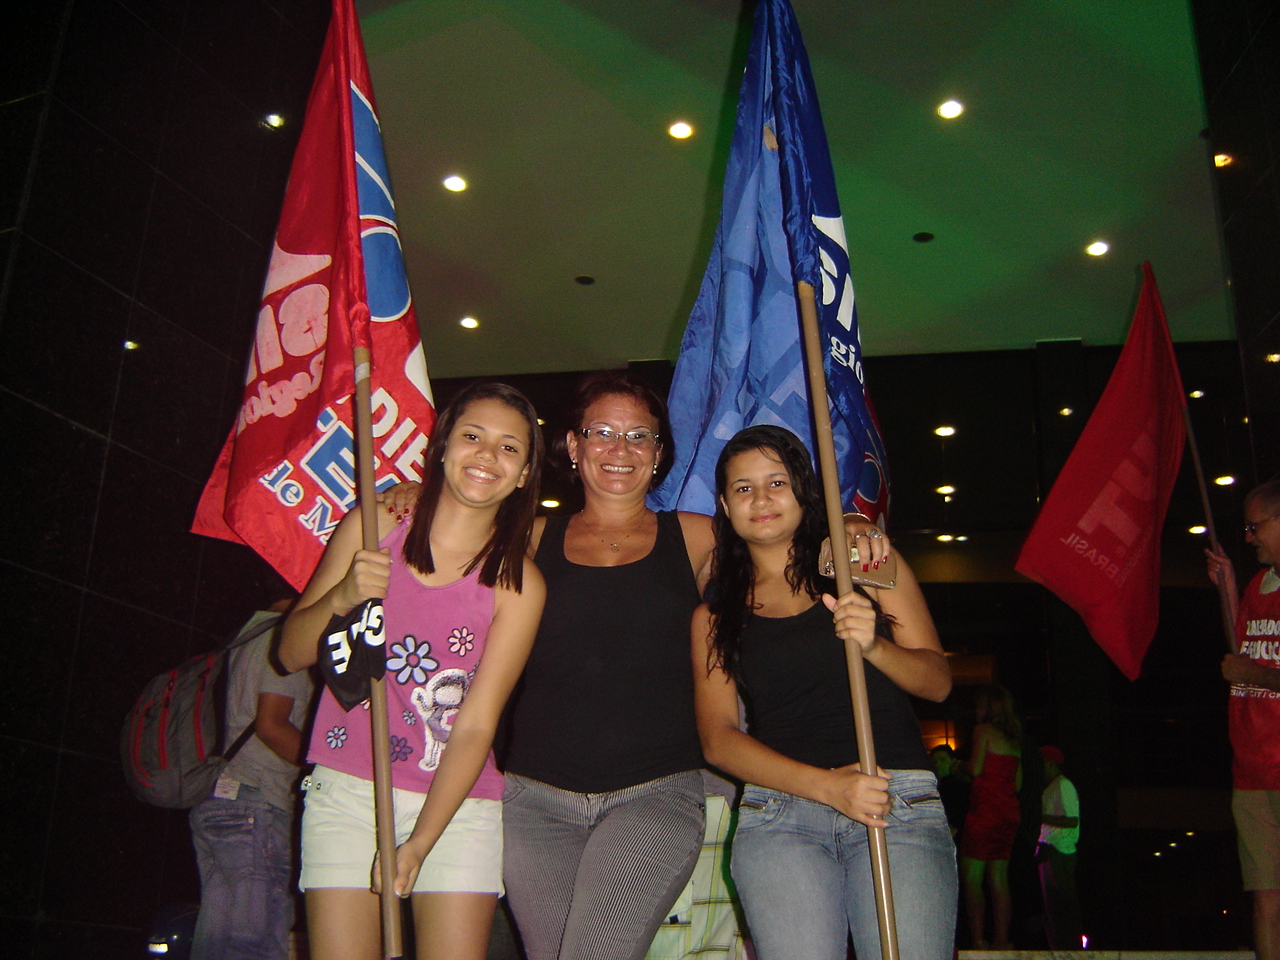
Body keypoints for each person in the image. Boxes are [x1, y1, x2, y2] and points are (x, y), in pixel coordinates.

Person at [497, 374, 889, 960]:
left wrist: (846, 526)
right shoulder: (529, 540)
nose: (621, 448)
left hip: (654, 795)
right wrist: (400, 499)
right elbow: (444, 555)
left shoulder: (696, 536)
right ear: (574, 446)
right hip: (533, 800)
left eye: (639, 435)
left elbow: (786, 551)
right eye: (602, 432)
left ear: (659, 452)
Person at [279, 382, 546, 960]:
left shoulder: (519, 583)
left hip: (455, 803)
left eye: (509, 448)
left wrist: (421, 842)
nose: (487, 456)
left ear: (525, 473)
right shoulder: (373, 528)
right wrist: (342, 597)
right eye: (472, 436)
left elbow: (476, 725)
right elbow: (290, 653)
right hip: (349, 788)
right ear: (442, 445)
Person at [691, 424, 956, 960]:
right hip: (779, 816)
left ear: (804, 490)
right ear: (724, 504)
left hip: (894, 800)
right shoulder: (714, 615)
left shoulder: (864, 563)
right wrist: (829, 788)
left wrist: (874, 647)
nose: (761, 499)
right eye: (743, 488)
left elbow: (938, 683)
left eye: (777, 482)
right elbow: (719, 741)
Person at [188, 599, 314, 960]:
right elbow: (271, 725)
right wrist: (322, 768)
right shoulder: (286, 640)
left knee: (217, 945)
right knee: (255, 943)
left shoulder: (247, 634)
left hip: (218, 802)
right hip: (255, 807)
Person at [1207, 478, 1280, 960]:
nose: (1249, 537)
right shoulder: (1259, 584)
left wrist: (1252, 673)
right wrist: (1229, 588)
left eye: (1256, 527)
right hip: (1251, 770)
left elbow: (1250, 668)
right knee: (1265, 900)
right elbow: (1243, 649)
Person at [958, 684, 1023, 950]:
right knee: (999, 879)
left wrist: (957, 766)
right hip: (1008, 812)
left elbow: (975, 768)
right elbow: (1018, 783)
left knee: (972, 878)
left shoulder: (983, 731)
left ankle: (978, 940)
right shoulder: (1014, 739)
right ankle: (1001, 939)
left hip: (985, 810)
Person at [1036, 745, 1081, 950]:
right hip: (1049, 850)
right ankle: (1059, 948)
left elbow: (1071, 820)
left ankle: (1070, 949)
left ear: (1050, 764)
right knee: (1053, 908)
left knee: (1063, 906)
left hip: (1060, 851)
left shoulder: (1063, 785)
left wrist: (1039, 817)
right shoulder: (1051, 787)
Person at [931, 743, 971, 838]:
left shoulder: (956, 786)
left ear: (953, 762)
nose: (938, 764)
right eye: (934, 761)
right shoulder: (934, 786)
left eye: (943, 760)